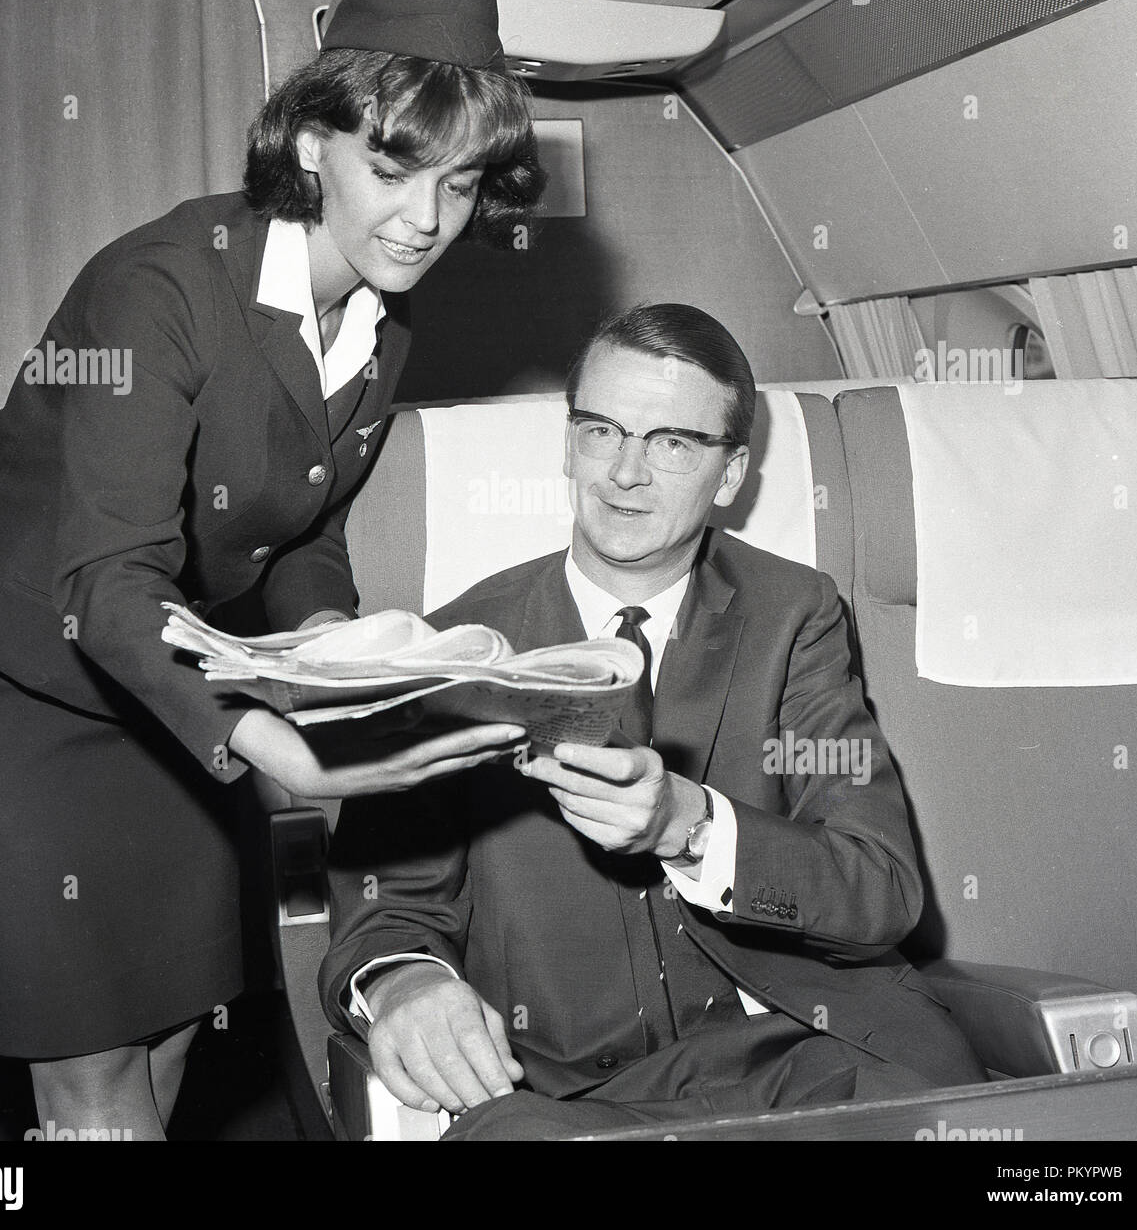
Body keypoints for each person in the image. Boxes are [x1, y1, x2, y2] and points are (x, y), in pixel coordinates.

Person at [0, 0, 544, 1138]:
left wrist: (339, 648)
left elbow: (301, 534)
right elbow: (101, 579)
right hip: (10, 672)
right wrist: (275, 745)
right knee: (90, 1071)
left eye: (459, 183)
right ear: (307, 140)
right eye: (392, 172)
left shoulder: (382, 334)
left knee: (181, 1016)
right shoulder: (163, 290)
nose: (427, 221)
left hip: (170, 672)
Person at [321, 303, 986, 1139]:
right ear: (569, 445)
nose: (624, 472)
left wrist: (692, 824)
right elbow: (385, 911)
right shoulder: (461, 652)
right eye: (602, 431)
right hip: (565, 1100)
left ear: (732, 473)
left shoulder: (796, 615)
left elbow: (880, 890)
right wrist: (403, 984)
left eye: (671, 442)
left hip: (812, 1053)